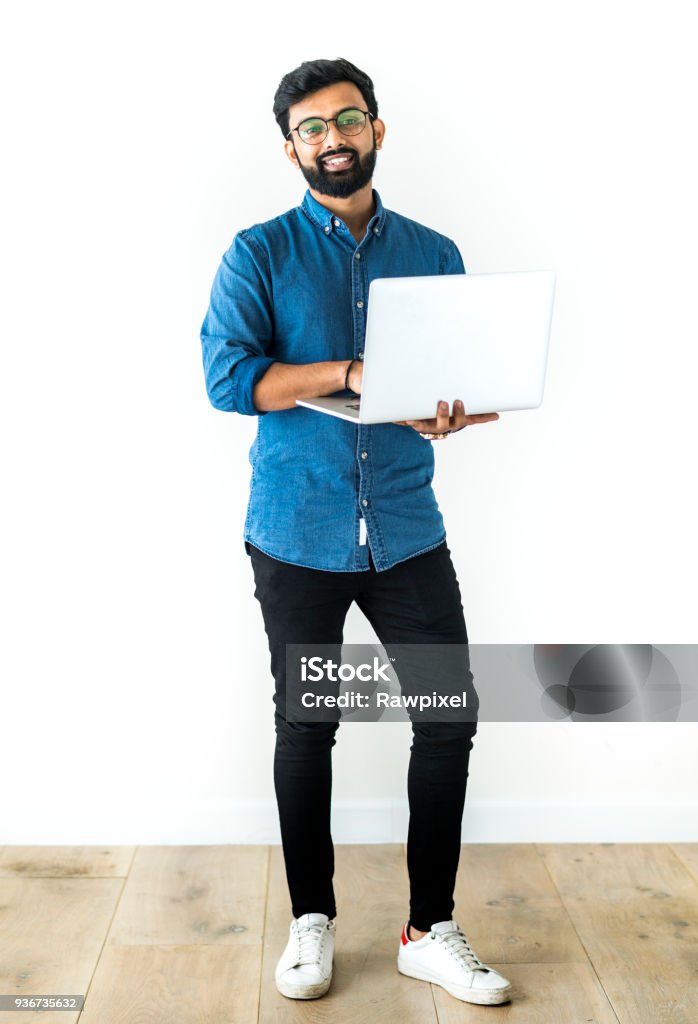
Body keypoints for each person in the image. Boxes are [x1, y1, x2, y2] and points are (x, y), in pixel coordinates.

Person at [200, 57, 512, 1007]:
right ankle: (310, 922)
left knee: (447, 719)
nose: (332, 139)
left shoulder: (436, 252)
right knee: (309, 722)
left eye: (348, 120)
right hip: (296, 530)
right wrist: (348, 371)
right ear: (290, 147)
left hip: (408, 529)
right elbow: (228, 381)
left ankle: (431, 926)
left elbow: (441, 381)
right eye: (311, 128)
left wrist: (443, 411)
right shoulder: (256, 255)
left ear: (378, 129)